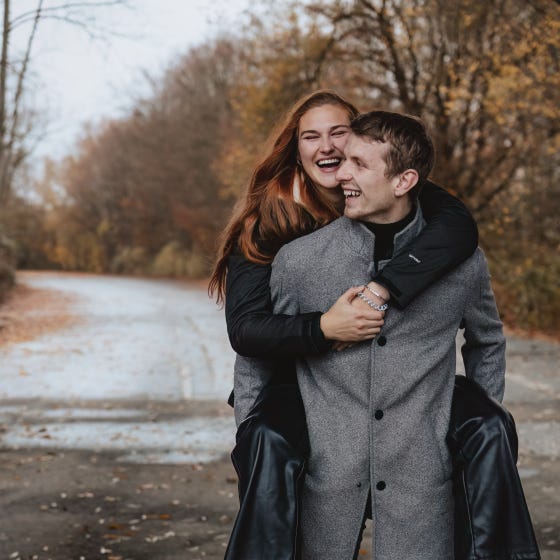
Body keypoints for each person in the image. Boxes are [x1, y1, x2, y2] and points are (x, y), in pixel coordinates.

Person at [209, 91, 539, 559]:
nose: (337, 161)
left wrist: (475, 422)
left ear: (404, 180)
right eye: (312, 137)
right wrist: (252, 437)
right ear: (296, 150)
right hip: (321, 456)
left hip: (420, 475)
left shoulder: (455, 252)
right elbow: (251, 345)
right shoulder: (287, 248)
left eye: (347, 147)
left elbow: (486, 338)